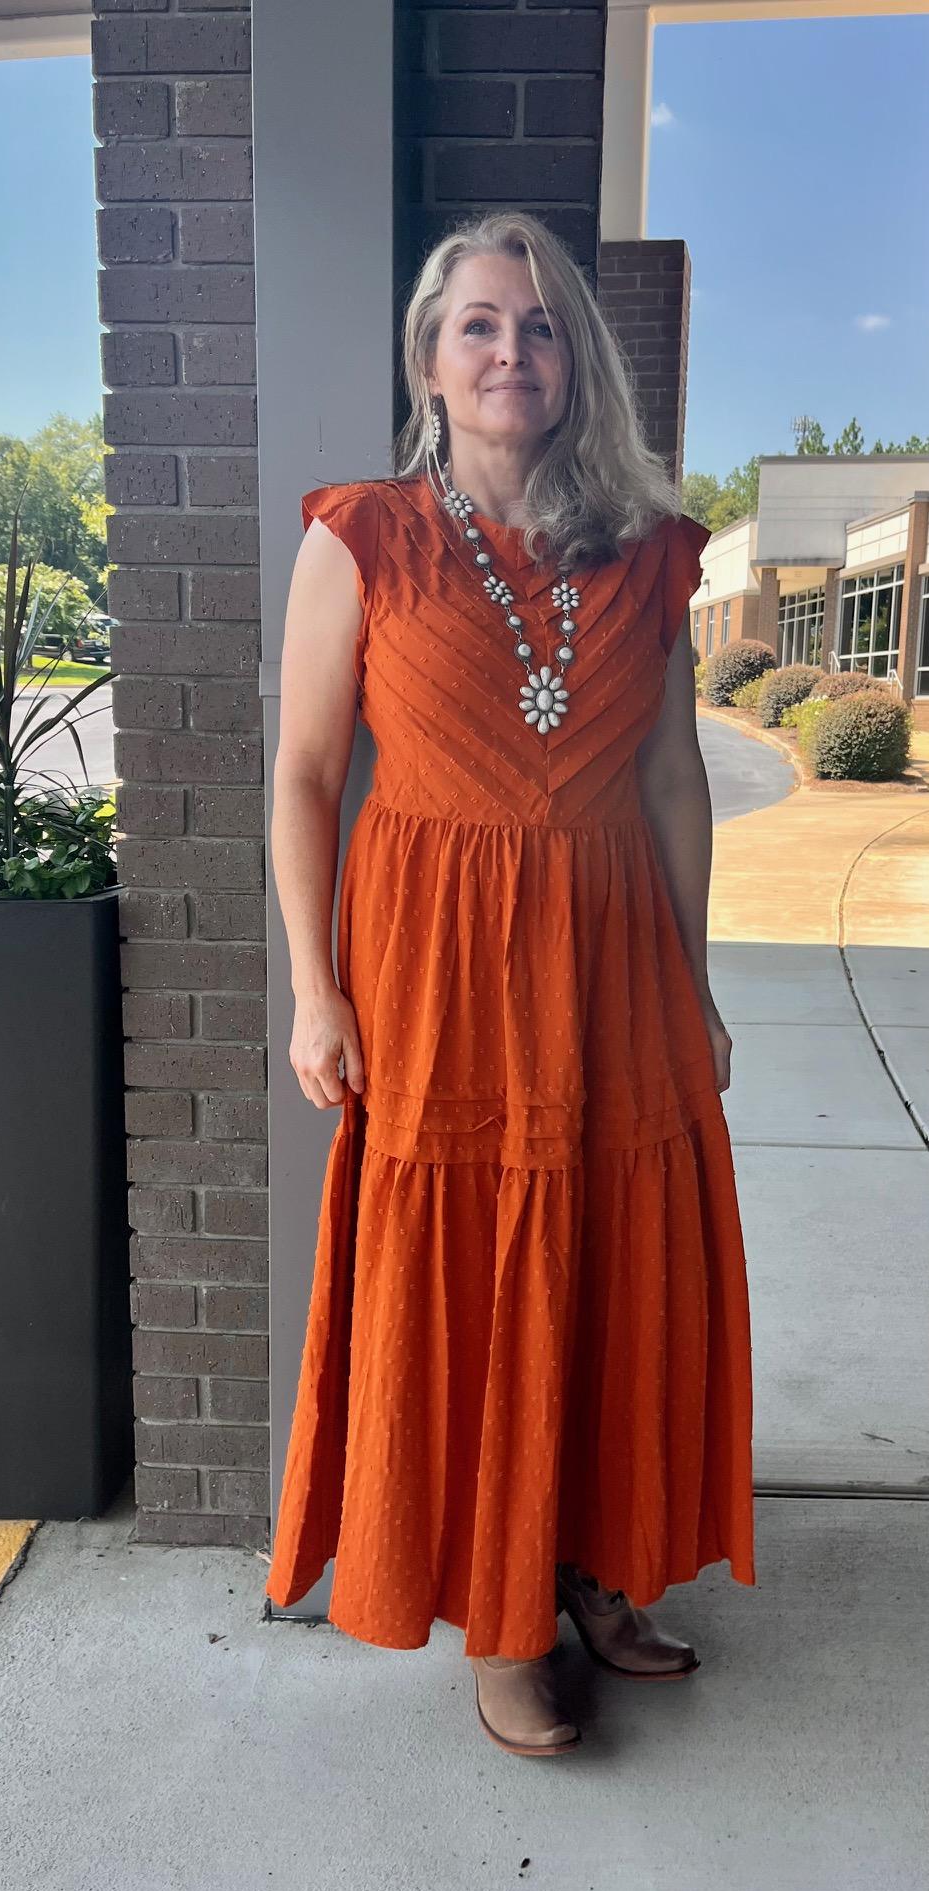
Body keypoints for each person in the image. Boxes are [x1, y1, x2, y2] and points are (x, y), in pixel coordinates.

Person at [263, 210, 756, 1759]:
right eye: (479, 324)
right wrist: (313, 989)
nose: (510, 352)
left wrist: (696, 979)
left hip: (615, 969)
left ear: (577, 360)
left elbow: (676, 781)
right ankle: (502, 1611)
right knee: (471, 1271)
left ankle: (603, 1563)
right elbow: (301, 776)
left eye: (539, 328)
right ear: (431, 355)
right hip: (434, 976)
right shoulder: (363, 537)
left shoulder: (653, 554)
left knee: (617, 1258)